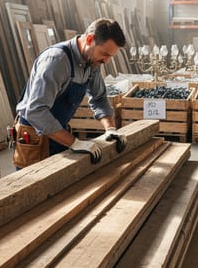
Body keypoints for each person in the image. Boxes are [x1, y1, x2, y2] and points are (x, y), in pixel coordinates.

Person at [12, 18, 127, 168]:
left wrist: (110, 129)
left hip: (58, 133)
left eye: (110, 57)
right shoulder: (56, 61)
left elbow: (99, 98)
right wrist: (75, 142)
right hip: (34, 137)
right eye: (104, 54)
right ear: (90, 39)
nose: (106, 61)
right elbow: (36, 111)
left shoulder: (93, 61)